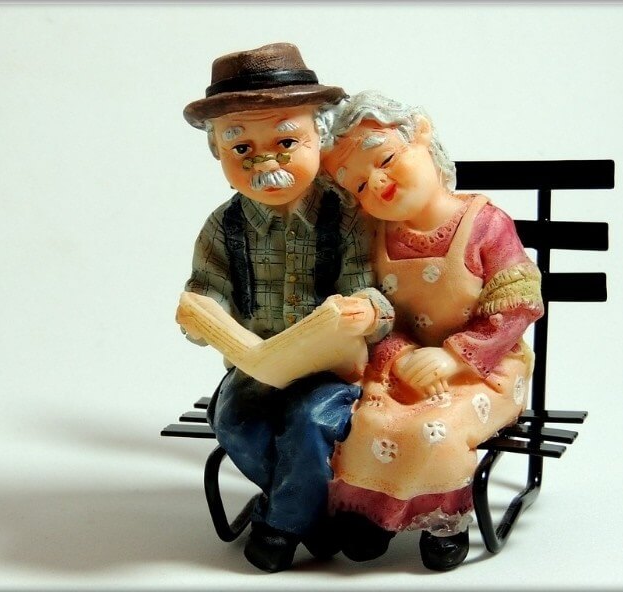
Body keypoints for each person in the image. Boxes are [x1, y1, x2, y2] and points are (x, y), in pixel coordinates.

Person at [176, 44, 393, 573]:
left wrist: (367, 312)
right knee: (234, 423)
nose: (266, 161)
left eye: (286, 141)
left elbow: (373, 287)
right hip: (257, 367)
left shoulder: (347, 215)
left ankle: (283, 523)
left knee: (310, 420)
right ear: (218, 153)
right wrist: (201, 317)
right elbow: (209, 289)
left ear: (320, 136)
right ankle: (323, 519)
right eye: (241, 147)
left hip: (330, 372)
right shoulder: (223, 227)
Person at [320, 91, 544, 571]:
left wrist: (454, 356)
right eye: (358, 185)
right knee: (366, 421)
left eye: (385, 160)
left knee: (435, 429)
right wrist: (399, 356)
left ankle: (444, 521)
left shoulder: (486, 224)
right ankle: (370, 515)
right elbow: (373, 311)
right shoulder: (374, 238)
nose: (377, 183)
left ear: (421, 133)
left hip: (483, 368)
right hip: (402, 366)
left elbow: (518, 304)